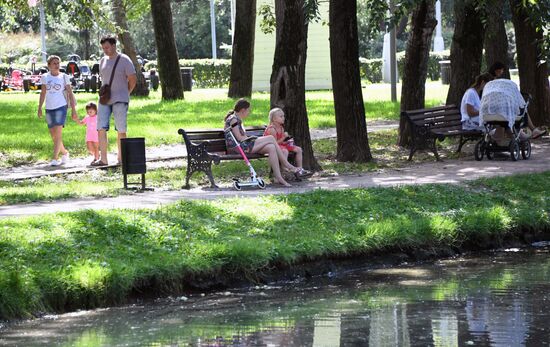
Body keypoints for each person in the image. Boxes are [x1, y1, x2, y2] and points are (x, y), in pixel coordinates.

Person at [224, 99, 311, 187]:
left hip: (245, 145)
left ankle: (279, 178)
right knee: (270, 138)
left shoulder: (237, 119)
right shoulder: (233, 119)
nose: (249, 112)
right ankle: (287, 165)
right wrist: (251, 138)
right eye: (248, 110)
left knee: (271, 147)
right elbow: (239, 138)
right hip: (239, 147)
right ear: (243, 110)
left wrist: (252, 139)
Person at [93, 35, 137, 166]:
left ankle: (121, 158)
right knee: (100, 127)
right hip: (104, 99)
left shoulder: (124, 60)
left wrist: (126, 93)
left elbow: (132, 79)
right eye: (103, 48)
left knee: (121, 129)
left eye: (107, 47)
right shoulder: (102, 61)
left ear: (113, 45)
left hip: (120, 99)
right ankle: (103, 159)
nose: (105, 50)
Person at [37, 55, 78, 166]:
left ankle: (54, 158)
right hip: (49, 108)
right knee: (53, 135)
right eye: (54, 63)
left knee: (58, 133)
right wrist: (39, 107)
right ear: (49, 65)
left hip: (61, 106)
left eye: (58, 63)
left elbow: (70, 93)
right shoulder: (45, 77)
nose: (56, 65)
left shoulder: (64, 77)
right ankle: (64, 153)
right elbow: (43, 93)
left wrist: (73, 110)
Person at [480, 78, 547, 140]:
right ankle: (533, 129)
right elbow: (521, 103)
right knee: (523, 109)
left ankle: (518, 134)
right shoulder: (506, 103)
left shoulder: (490, 101)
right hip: (504, 117)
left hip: (487, 115)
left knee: (503, 122)